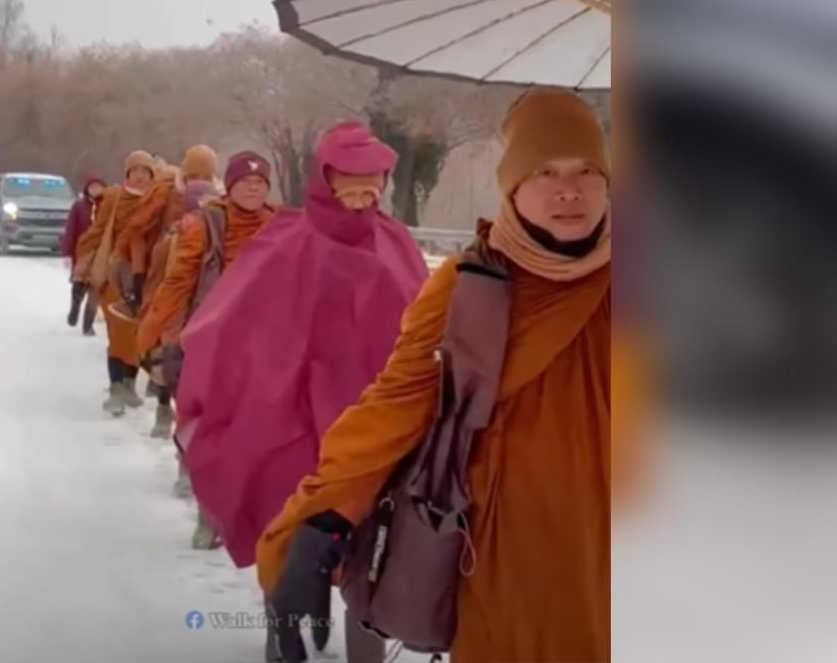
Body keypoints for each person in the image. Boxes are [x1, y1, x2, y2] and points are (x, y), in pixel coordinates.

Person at [258, 90, 611, 663]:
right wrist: (318, 524)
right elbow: (392, 407)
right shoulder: (469, 284)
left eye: (587, 171)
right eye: (545, 171)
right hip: (502, 560)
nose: (569, 190)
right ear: (513, 187)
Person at [177, 123, 427, 663]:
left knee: (371, 553)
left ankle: (367, 651)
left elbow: (424, 327)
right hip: (292, 426)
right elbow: (229, 326)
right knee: (289, 538)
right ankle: (281, 639)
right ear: (325, 181)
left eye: (372, 184)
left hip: (374, 436)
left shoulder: (397, 243)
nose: (362, 197)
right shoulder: (285, 243)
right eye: (350, 184)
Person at [137, 149, 278, 522]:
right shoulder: (203, 225)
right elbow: (179, 282)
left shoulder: (280, 226)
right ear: (229, 185)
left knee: (247, 428)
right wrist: (157, 335)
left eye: (260, 182)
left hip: (260, 343)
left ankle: (231, 501)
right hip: (208, 339)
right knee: (206, 421)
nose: (252, 188)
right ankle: (207, 509)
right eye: (245, 181)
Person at [135, 144, 219, 437]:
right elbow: (144, 226)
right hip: (170, 267)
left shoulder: (223, 200)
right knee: (170, 352)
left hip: (207, 288)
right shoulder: (168, 191)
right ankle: (164, 405)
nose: (201, 178)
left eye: (205, 171)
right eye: (195, 170)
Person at [72, 150, 158, 416]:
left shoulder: (158, 200)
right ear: (127, 174)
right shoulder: (113, 197)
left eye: (146, 172)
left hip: (145, 277)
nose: (141, 177)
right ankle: (116, 388)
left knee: (136, 335)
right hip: (114, 273)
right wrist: (83, 264)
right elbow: (98, 231)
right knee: (117, 330)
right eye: (136, 171)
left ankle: (129, 384)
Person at [60, 175, 105, 333]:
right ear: (87, 189)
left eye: (99, 187)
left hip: (101, 253)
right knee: (79, 283)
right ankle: (75, 308)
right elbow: (70, 230)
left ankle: (88, 325)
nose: (96, 190)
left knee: (95, 289)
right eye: (92, 187)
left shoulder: (107, 206)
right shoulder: (79, 206)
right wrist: (67, 252)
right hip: (82, 252)